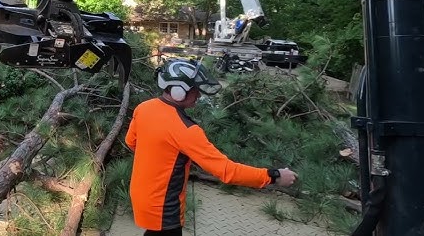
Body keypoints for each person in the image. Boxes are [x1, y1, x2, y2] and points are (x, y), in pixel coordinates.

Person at [125, 58, 298, 236]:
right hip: (163, 207)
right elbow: (227, 171)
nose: (199, 95)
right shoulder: (186, 130)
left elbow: (131, 142)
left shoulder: (143, 108)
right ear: (179, 91)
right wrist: (273, 176)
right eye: (195, 90)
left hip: (141, 195)